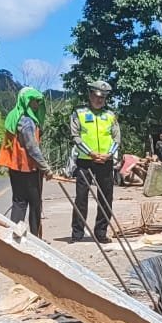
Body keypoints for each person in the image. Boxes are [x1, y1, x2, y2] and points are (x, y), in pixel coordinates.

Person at [68, 79, 119, 242]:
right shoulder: (79, 112)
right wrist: (91, 153)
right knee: (81, 197)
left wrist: (109, 154)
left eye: (103, 97)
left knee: (106, 198)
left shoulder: (110, 114)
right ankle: (77, 233)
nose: (99, 100)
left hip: (106, 160)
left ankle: (101, 232)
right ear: (90, 95)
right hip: (85, 160)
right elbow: (75, 136)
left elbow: (117, 138)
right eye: (97, 96)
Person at [0, 86, 52, 238]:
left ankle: (15, 237)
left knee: (19, 203)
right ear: (26, 101)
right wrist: (46, 168)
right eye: (33, 101)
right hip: (29, 169)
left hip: (15, 168)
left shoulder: (13, 117)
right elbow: (32, 148)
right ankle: (35, 239)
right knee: (35, 205)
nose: (36, 105)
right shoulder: (27, 121)